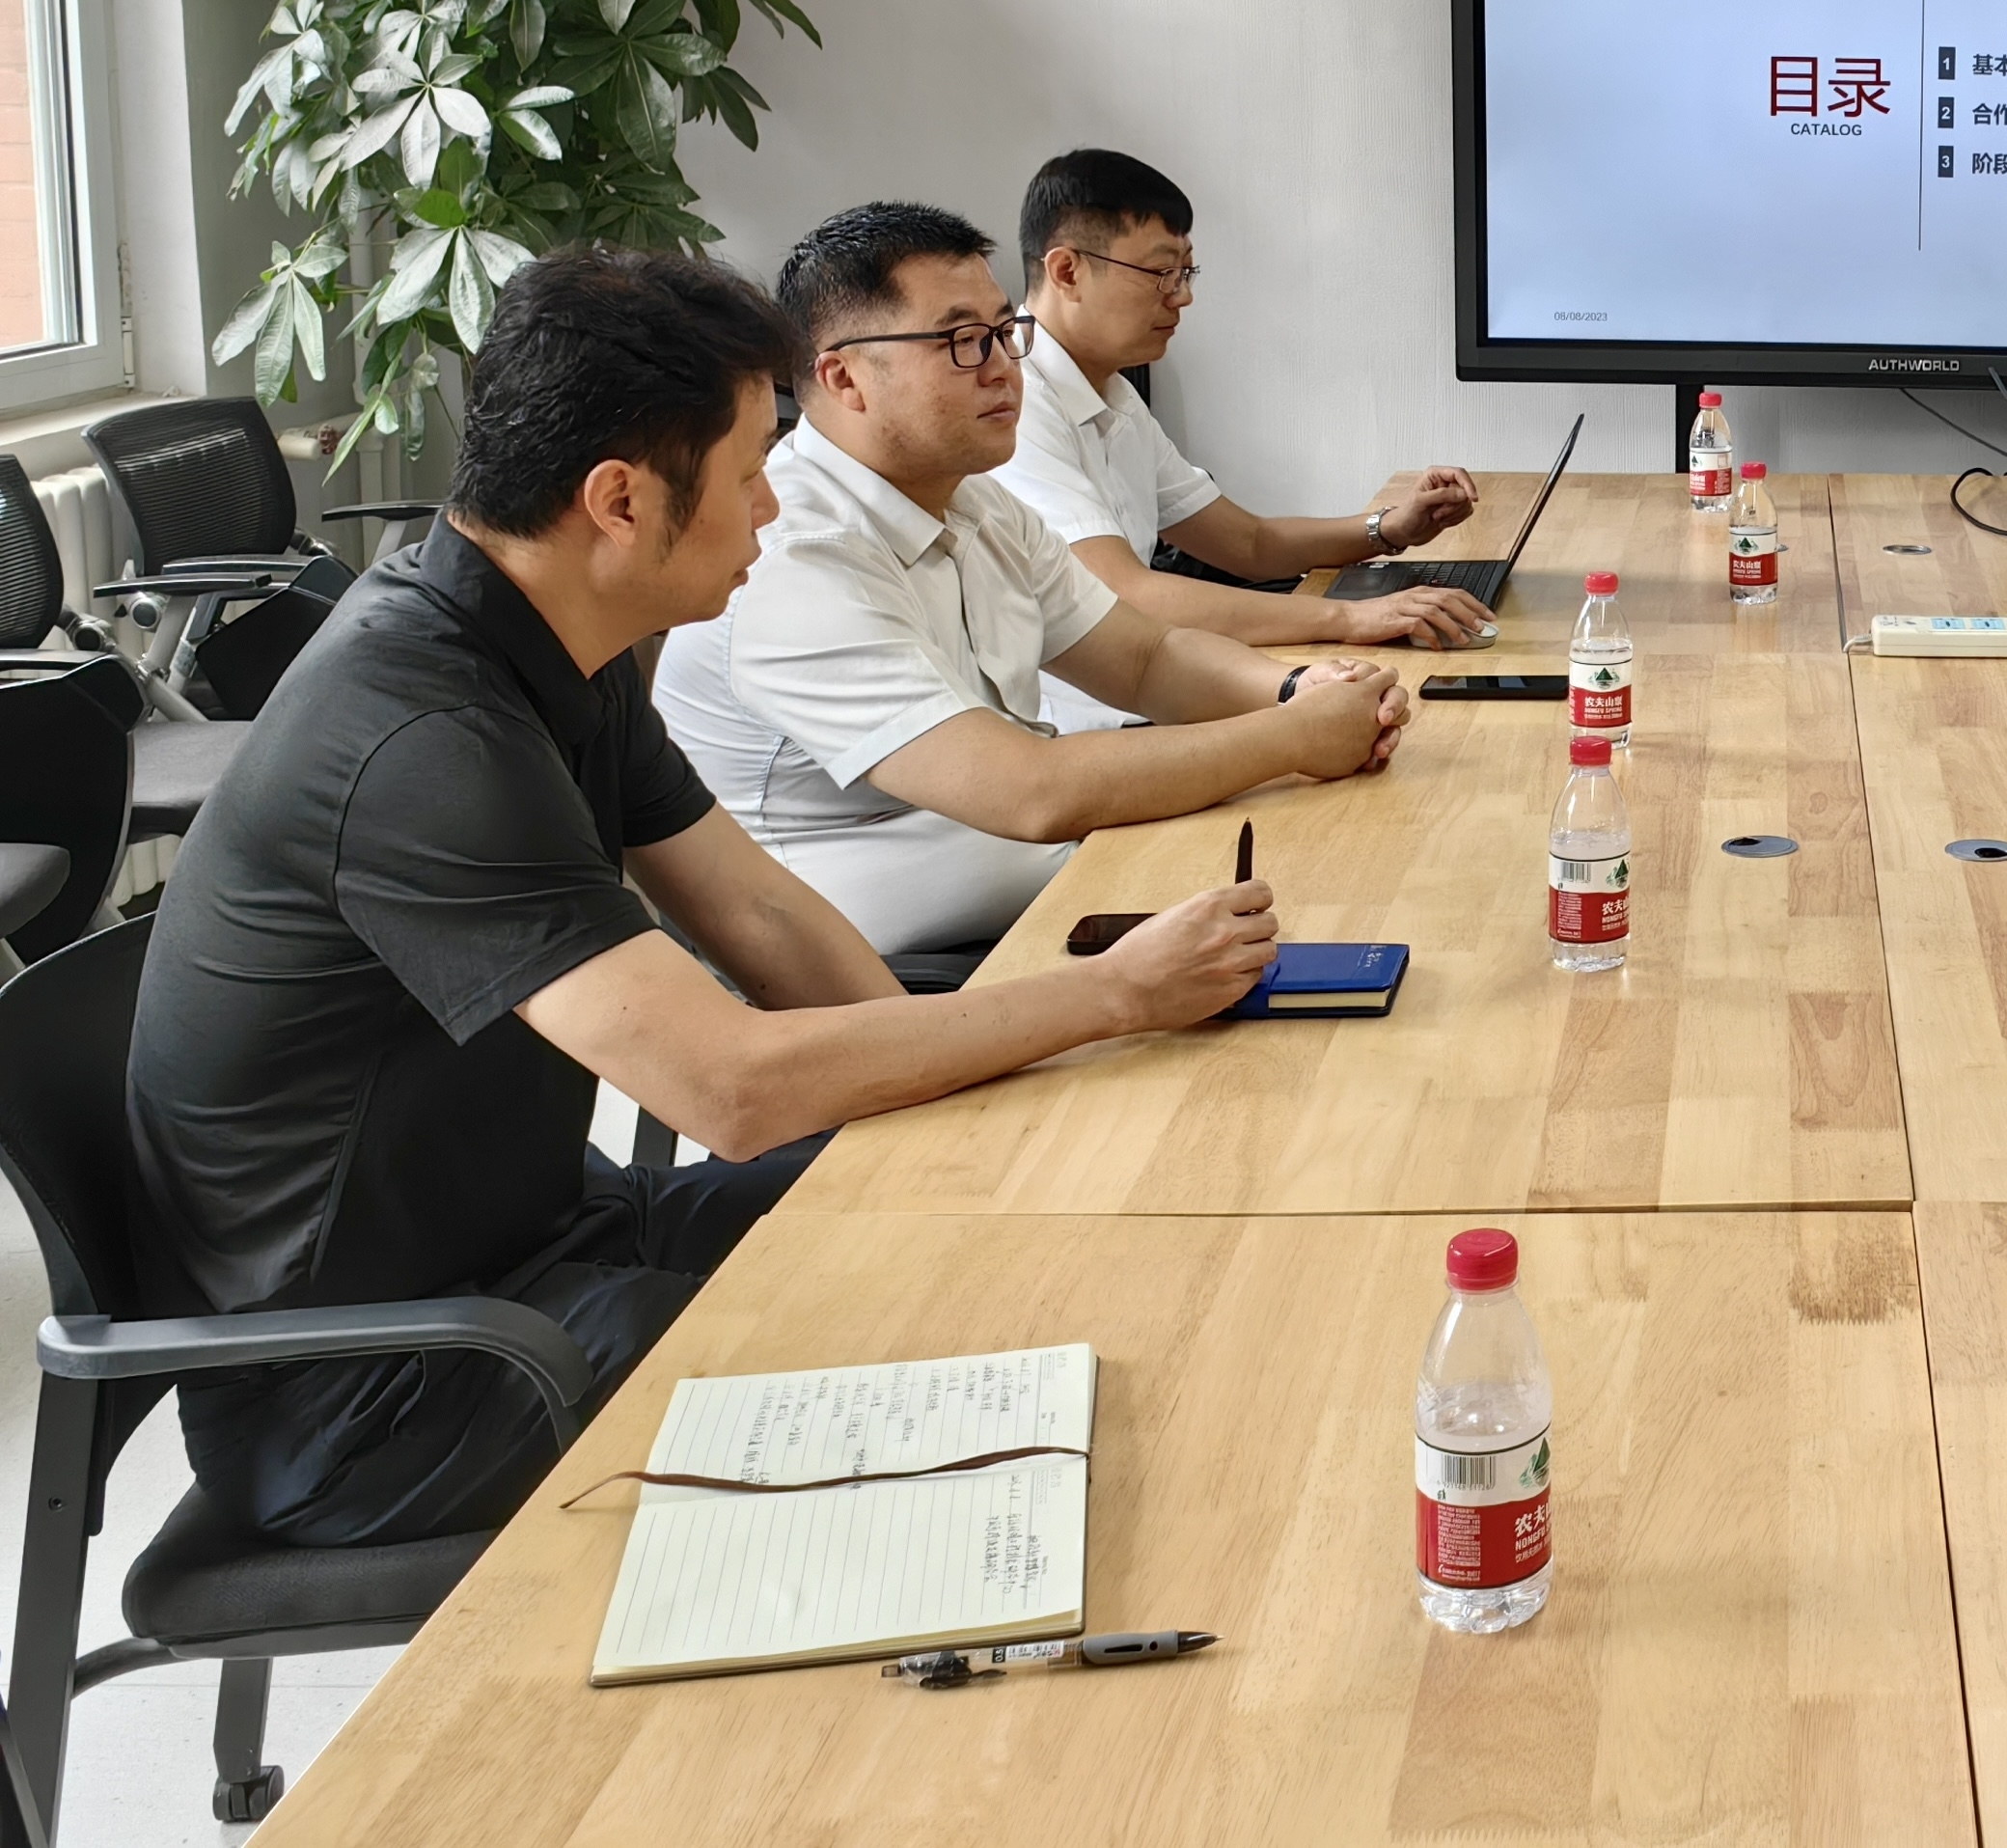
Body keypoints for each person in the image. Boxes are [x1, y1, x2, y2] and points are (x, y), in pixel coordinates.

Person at [125, 249, 1286, 1548]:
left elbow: (762, 920)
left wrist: (964, 1125)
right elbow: (730, 1091)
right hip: (383, 1388)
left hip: (551, 1238)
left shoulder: (555, 642)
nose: (770, 508)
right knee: (964, 1364)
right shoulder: (423, 735)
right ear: (619, 501)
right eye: (745, 477)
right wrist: (1107, 995)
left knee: (1010, 1226)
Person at [655, 203, 1411, 961]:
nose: (1003, 366)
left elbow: (1144, 659)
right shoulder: (794, 558)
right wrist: (1293, 736)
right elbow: (1030, 790)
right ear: (844, 376)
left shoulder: (976, 500)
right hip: (886, 975)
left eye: (1003, 331)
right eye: (961, 341)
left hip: (1051, 890)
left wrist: (1296, 688)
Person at [1001, 147, 1485, 732]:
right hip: (1077, 729)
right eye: (1160, 273)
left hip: (1152, 699)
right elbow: (1127, 595)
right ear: (1067, 272)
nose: (1182, 296)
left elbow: (1247, 542)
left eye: (1186, 272)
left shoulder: (1113, 391)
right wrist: (1352, 617)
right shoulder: (1014, 402)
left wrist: (1389, 528)